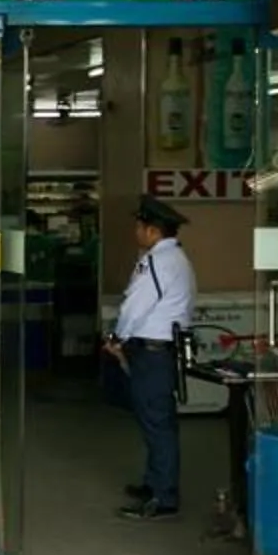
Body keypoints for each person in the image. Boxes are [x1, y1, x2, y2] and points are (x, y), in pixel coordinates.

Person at [106, 194, 195, 522]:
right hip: (158, 350)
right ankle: (154, 483)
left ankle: (164, 496)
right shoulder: (176, 259)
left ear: (153, 231)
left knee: (158, 425)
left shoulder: (158, 262)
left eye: (139, 227)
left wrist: (117, 337)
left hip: (152, 352)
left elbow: (135, 305)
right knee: (155, 422)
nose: (136, 232)